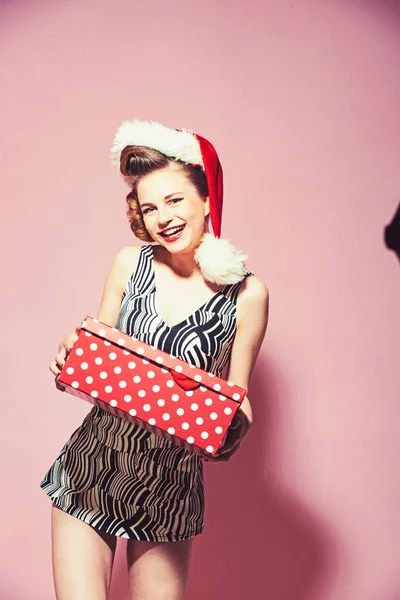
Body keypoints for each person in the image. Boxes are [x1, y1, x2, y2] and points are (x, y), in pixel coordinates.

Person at [41, 119, 269, 600]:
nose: (162, 216)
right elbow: (96, 344)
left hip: (171, 488)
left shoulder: (248, 294)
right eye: (149, 207)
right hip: (93, 467)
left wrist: (231, 428)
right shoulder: (130, 262)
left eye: (174, 200)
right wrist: (72, 348)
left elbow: (240, 400)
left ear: (206, 200)